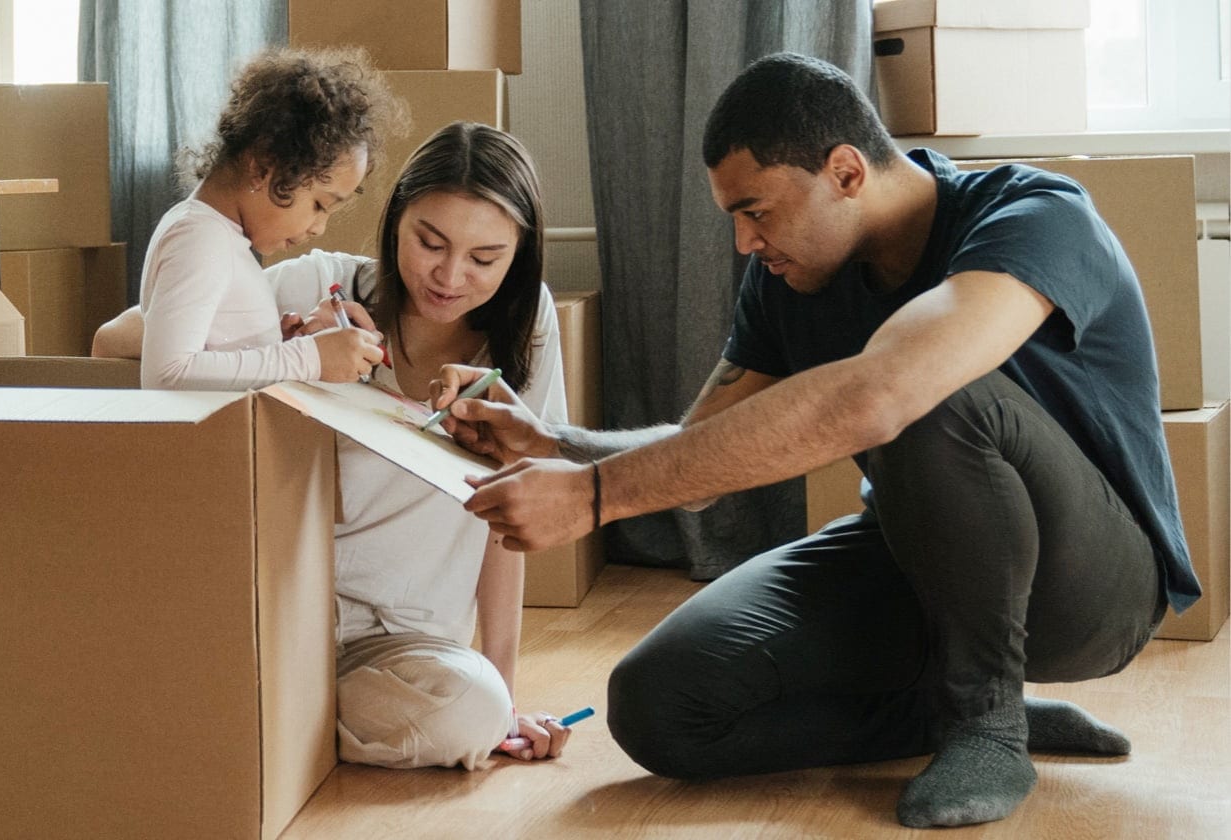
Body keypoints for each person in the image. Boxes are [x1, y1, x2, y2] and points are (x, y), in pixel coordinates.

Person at [435, 53, 1198, 827]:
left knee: (927, 390)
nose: (742, 242)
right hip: (916, 560)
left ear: (845, 172)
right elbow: (702, 456)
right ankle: (944, 712)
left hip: (1093, 589)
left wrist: (595, 498)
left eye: (757, 211)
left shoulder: (1035, 215)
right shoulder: (788, 278)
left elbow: (886, 393)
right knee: (660, 705)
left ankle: (987, 724)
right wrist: (557, 447)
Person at [98, 121, 577, 767]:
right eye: (429, 242)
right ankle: (266, 717)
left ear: (519, 256)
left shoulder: (528, 332)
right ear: (395, 220)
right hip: (278, 616)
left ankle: (258, 722)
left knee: (474, 712)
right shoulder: (317, 284)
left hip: (404, 645)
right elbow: (115, 341)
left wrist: (507, 696)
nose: (450, 275)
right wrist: (290, 350)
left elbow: (508, 518)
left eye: (485, 259)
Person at [133, 46, 394, 391]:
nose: (319, 227)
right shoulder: (200, 238)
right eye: (319, 204)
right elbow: (167, 374)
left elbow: (216, 358)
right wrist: (308, 357)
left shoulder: (218, 237)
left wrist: (277, 347)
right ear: (263, 166)